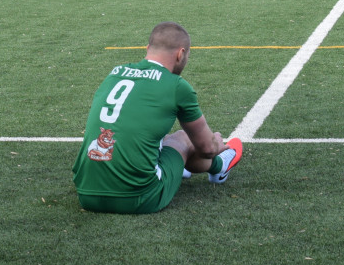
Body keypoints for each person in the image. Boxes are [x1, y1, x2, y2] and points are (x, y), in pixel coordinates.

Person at [72, 21, 244, 214]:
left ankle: (180, 166)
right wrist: (216, 145)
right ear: (180, 54)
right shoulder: (176, 85)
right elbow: (206, 149)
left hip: (86, 195)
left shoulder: (114, 73)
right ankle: (220, 167)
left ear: (148, 49)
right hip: (139, 198)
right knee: (181, 138)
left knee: (155, 136)